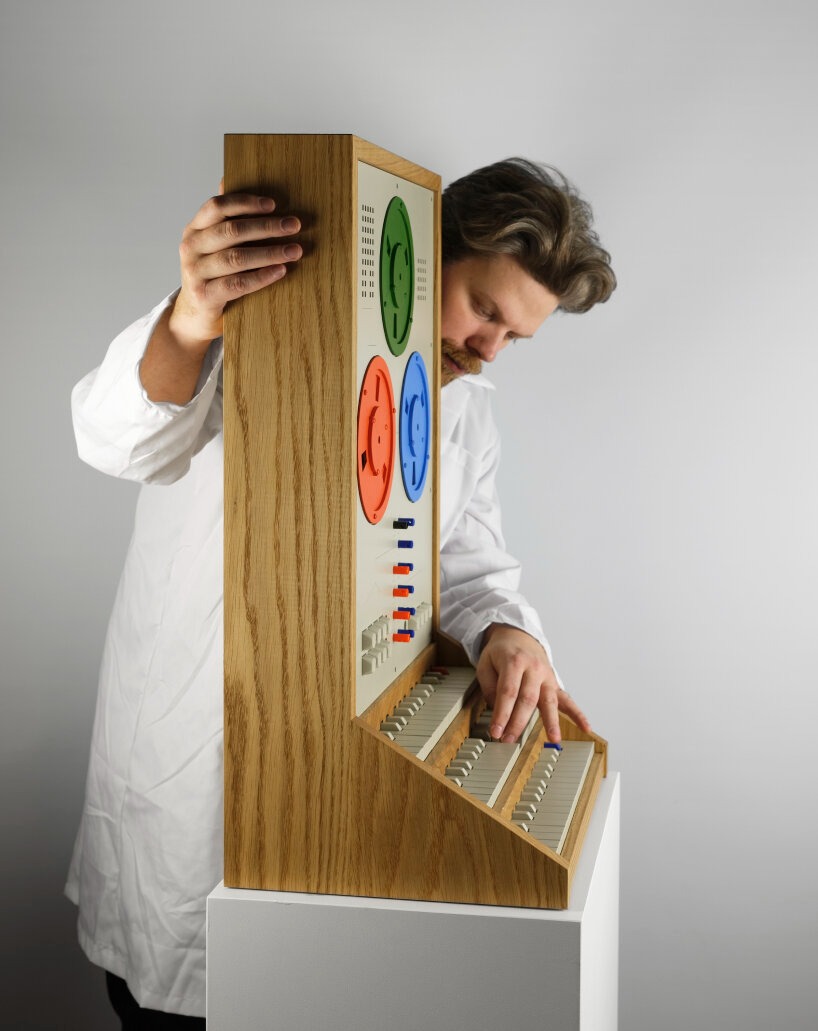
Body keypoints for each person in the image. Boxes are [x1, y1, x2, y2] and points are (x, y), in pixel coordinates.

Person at [67, 157, 615, 1025]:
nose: (488, 349)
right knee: (178, 995)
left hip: (347, 775)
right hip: (198, 748)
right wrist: (190, 319)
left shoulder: (467, 407)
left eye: (516, 337)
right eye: (484, 309)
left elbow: (467, 560)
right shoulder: (269, 324)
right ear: (425, 254)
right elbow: (116, 441)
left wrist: (509, 631)